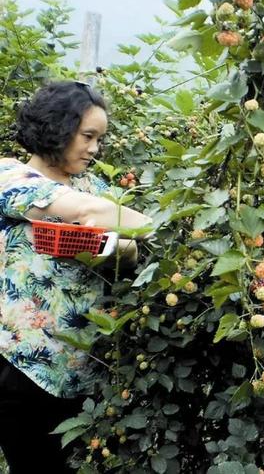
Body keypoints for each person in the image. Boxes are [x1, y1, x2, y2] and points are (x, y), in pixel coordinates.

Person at [0, 81, 152, 473]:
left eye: (99, 139)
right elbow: (92, 212)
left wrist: (125, 248)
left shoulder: (93, 184)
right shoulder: (11, 177)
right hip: (23, 364)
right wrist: (154, 224)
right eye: (88, 136)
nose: (95, 149)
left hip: (84, 368)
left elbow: (127, 251)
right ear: (58, 127)